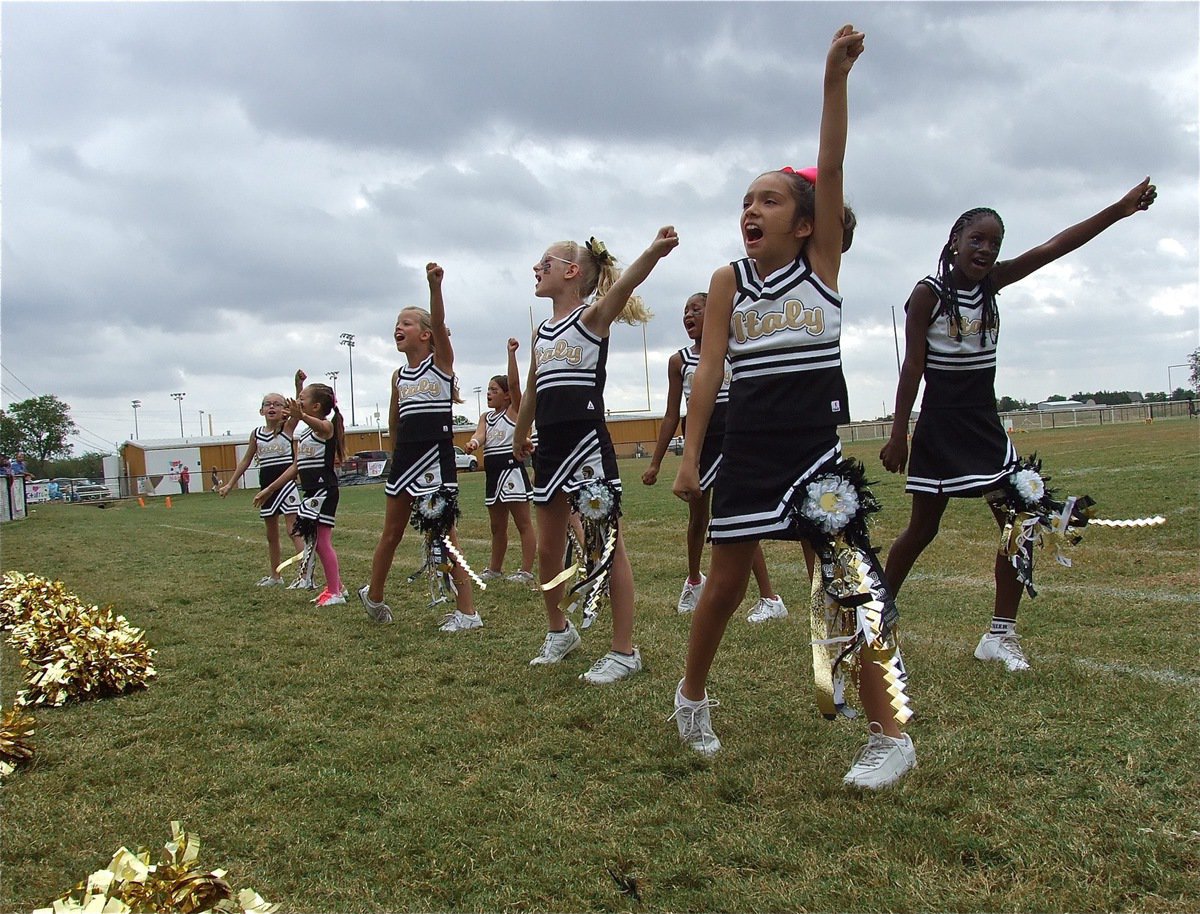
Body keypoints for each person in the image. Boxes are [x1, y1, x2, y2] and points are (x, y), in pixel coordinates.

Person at [671, 26, 914, 789]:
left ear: (806, 223)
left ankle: (889, 737)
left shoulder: (822, 268)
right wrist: (689, 454)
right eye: (746, 200)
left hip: (814, 451)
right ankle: (690, 697)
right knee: (725, 586)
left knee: (849, 580)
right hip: (746, 447)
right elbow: (710, 372)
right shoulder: (725, 281)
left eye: (770, 198)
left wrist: (832, 82)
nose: (753, 208)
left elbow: (831, 163)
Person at [879, 178, 1157, 672]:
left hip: (985, 427)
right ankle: (877, 616)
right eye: (976, 240)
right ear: (954, 243)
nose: (984, 250)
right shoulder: (928, 295)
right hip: (941, 427)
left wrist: (1118, 210)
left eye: (993, 243)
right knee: (923, 528)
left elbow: (1056, 246)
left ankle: (1000, 634)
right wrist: (900, 432)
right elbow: (912, 368)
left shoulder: (993, 284)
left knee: (1019, 523)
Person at [513, 226, 678, 684]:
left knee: (606, 545)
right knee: (548, 547)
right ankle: (559, 630)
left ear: (570, 272)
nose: (535, 269)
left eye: (543, 263)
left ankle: (624, 651)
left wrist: (653, 251)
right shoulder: (541, 331)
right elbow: (532, 386)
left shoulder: (590, 318)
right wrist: (521, 431)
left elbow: (626, 284)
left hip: (586, 441)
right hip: (548, 444)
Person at [643, 292, 788, 622]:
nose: (688, 315)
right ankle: (694, 581)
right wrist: (656, 461)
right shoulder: (679, 361)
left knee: (738, 519)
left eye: (696, 308)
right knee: (698, 518)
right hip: (700, 443)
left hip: (734, 439)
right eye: (684, 310)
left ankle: (770, 597)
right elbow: (670, 415)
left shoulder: (735, 351)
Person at [358, 263, 482, 632]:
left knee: (445, 535)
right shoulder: (399, 376)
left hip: (435, 458)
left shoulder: (440, 364)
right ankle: (374, 596)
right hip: (406, 460)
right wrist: (395, 456)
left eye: (407, 323)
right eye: (397, 323)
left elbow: (441, 321)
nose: (398, 327)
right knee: (391, 533)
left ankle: (468, 612)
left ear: (427, 335)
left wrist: (434, 288)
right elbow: (396, 422)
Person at [254, 372, 347, 607]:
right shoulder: (305, 433)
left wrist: (301, 414)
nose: (296, 403)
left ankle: (335, 591)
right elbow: (296, 467)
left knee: (322, 542)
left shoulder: (325, 427)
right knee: (314, 541)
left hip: (324, 490)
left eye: (302, 399)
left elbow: (315, 422)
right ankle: (337, 586)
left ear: (315, 406)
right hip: (312, 492)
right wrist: (269, 490)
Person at [465, 338, 536, 585]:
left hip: (511, 472)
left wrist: (511, 354)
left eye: (494, 390)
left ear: (507, 396)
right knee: (497, 527)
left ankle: (526, 570)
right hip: (492, 475)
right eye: (487, 390)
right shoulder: (486, 416)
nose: (488, 394)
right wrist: (474, 443)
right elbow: (480, 434)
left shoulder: (514, 411)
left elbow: (516, 384)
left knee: (523, 523)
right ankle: (495, 568)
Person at [219, 393, 306, 587]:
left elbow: (298, 407)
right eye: (268, 404)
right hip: (265, 486)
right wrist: (230, 484)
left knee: (294, 530)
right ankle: (275, 576)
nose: (272, 407)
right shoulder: (256, 434)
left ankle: (305, 575)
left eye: (277, 404)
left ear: (284, 409)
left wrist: (299, 385)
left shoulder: (287, 428)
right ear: (261, 410)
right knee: (271, 535)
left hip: (286, 485)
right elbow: (246, 460)